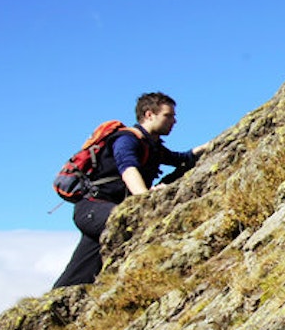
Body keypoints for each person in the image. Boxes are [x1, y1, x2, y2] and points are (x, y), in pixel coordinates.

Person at [53, 92, 206, 288]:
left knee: (79, 273)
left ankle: (56, 308)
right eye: (168, 115)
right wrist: (145, 198)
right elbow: (128, 169)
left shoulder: (152, 146)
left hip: (101, 210)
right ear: (149, 114)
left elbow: (180, 159)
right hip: (92, 208)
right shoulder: (127, 139)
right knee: (130, 225)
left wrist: (209, 146)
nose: (174, 121)